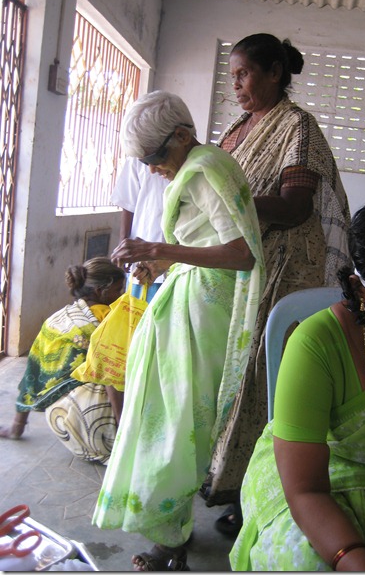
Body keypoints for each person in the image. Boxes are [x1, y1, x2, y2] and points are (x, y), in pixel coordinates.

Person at [91, 90, 265, 571]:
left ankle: (169, 538)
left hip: (205, 311)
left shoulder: (205, 169)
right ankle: (171, 531)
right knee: (167, 418)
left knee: (176, 425)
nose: (151, 169)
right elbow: (206, 242)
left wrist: (158, 250)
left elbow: (240, 254)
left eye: (153, 156)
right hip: (194, 298)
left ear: (183, 136)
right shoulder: (203, 165)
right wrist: (161, 262)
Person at [229, 197, 365, 571]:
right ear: (359, 288)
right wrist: (356, 562)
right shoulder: (316, 344)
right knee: (304, 561)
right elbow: (305, 489)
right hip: (316, 480)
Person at [203, 33, 352, 534]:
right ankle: (226, 478)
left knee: (264, 379)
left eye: (244, 74)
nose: (236, 85)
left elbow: (293, 207)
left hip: (287, 267)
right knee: (230, 373)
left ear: (274, 72)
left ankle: (259, 494)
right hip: (244, 264)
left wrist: (232, 200)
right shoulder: (239, 128)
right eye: (232, 76)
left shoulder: (297, 126)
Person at [0, 257, 125, 464]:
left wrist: (17, 425)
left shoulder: (58, 318)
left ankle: (17, 427)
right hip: (99, 429)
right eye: (118, 290)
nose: (121, 295)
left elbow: (32, 372)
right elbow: (111, 379)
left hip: (60, 421)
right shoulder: (109, 319)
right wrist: (124, 431)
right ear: (100, 291)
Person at [110, 156, 169, 302]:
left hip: (178, 256)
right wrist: (124, 243)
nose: (152, 169)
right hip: (143, 251)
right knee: (139, 309)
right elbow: (128, 204)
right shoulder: (136, 159)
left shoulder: (184, 157)